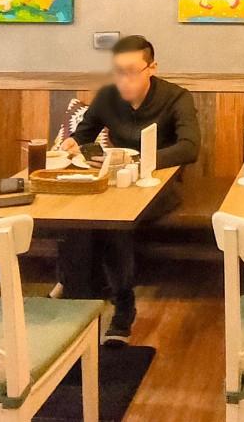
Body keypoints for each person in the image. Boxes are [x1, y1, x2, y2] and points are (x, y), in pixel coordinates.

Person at [58, 34, 200, 343]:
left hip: (159, 183)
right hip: (115, 180)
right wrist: (73, 143)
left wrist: (138, 160)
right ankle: (75, 296)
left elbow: (189, 148)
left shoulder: (177, 98)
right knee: (76, 215)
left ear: (152, 68)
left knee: (116, 218)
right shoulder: (107, 98)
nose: (124, 80)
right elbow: (84, 134)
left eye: (132, 71)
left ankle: (123, 306)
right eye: (118, 72)